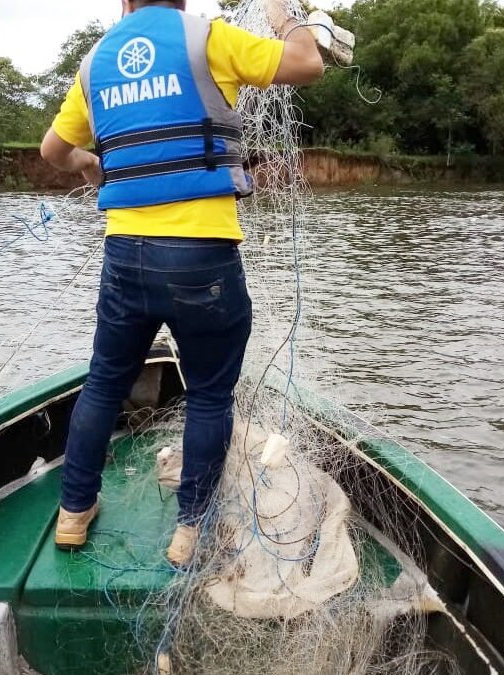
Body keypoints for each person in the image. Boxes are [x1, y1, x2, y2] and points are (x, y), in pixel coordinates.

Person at [40, 0, 323, 566]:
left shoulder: (95, 62)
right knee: (210, 394)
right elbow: (308, 62)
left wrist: (88, 162)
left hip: (125, 256)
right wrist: (283, 13)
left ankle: (74, 513)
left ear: (124, 3)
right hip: (202, 258)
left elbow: (52, 151)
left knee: (102, 384)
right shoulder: (206, 39)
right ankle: (190, 530)